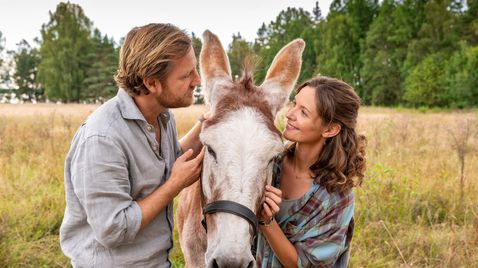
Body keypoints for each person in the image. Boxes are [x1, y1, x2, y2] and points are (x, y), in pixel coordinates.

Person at [59, 23, 206, 267]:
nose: (197, 81)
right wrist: (174, 186)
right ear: (151, 83)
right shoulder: (102, 139)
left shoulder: (162, 116)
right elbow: (113, 229)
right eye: (186, 75)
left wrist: (208, 122)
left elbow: (168, 162)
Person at [256, 76, 367, 268]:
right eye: (294, 104)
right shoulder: (268, 163)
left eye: (304, 112)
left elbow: (304, 264)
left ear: (330, 129)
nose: (290, 114)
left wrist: (267, 221)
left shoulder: (336, 198)